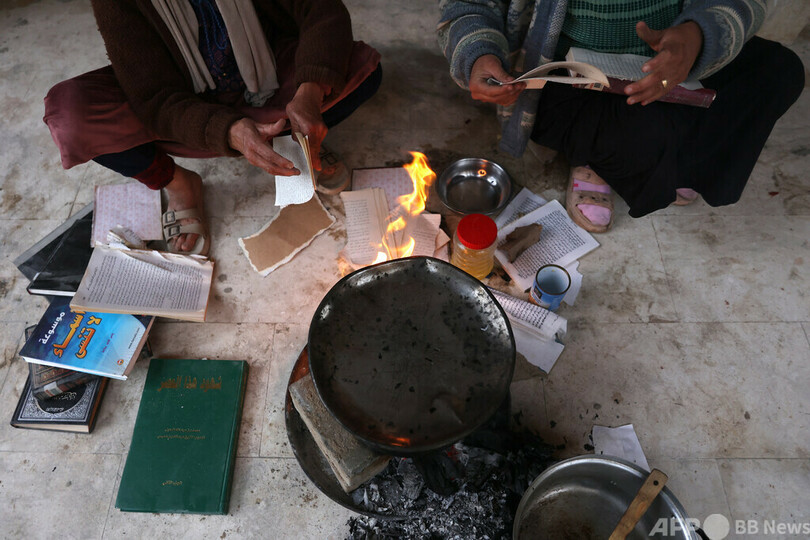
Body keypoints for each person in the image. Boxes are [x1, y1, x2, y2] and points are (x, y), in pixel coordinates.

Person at [44, 0, 382, 255]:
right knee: (73, 116)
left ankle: (298, 138)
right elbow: (155, 97)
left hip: (267, 68)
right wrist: (229, 129)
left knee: (357, 71)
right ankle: (177, 184)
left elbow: (321, 10)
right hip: (184, 101)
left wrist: (309, 91)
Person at [438, 0, 804, 233]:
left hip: (674, 57)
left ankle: (651, 160)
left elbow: (745, 3)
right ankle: (611, 159)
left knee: (779, 72)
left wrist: (697, 37)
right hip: (569, 77)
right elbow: (468, 5)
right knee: (650, 131)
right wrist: (478, 52)